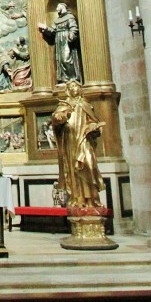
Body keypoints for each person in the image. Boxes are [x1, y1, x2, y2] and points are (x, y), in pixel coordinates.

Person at [52, 80, 105, 208]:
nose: (74, 88)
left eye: (76, 86)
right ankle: (78, 198)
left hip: (84, 139)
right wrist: (59, 118)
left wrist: (94, 127)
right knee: (73, 168)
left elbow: (93, 121)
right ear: (68, 90)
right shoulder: (65, 105)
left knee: (89, 164)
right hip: (71, 141)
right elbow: (56, 118)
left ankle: (93, 197)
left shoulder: (86, 104)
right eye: (71, 87)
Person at [39, 1, 83, 84]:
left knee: (66, 58)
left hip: (66, 40)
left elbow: (73, 28)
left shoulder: (70, 17)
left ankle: (72, 79)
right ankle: (64, 79)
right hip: (59, 40)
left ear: (63, 7)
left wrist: (71, 35)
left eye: (58, 7)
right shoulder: (58, 20)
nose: (56, 9)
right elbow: (53, 30)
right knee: (60, 60)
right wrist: (45, 28)